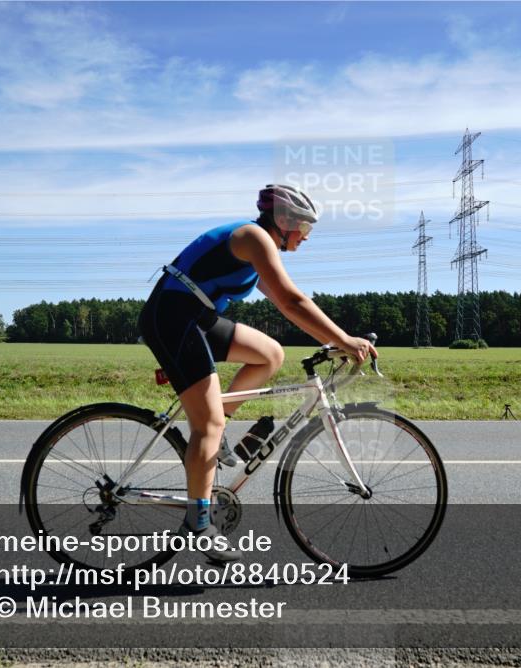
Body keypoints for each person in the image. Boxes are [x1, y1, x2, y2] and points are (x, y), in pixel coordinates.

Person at [137, 184, 377, 563]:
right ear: (285, 222)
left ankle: (218, 437)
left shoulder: (259, 246)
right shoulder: (254, 238)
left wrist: (332, 340)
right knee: (208, 423)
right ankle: (199, 525)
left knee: (269, 354)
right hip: (173, 318)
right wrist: (345, 339)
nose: (306, 237)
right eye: (305, 228)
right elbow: (292, 300)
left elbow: (289, 305)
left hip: (195, 318)